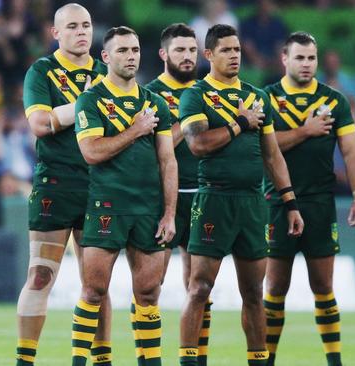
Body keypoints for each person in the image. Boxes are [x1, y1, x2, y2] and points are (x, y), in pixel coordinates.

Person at [177, 24, 303, 366]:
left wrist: (290, 201)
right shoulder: (196, 95)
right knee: (199, 288)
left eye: (237, 50)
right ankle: (189, 360)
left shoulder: (257, 96)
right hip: (213, 201)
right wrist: (238, 124)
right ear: (209, 55)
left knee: (254, 294)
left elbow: (272, 155)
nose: (234, 56)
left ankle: (258, 361)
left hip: (252, 203)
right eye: (226, 50)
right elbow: (197, 144)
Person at [70, 25, 177, 366]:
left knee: (148, 292)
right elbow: (91, 152)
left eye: (134, 50)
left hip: (148, 208)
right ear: (105, 57)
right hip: (107, 206)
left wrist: (170, 213)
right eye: (122, 51)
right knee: (93, 290)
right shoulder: (91, 99)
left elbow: (167, 159)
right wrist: (136, 130)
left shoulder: (155, 102)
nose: (131, 57)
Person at [262, 31, 355, 366]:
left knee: (323, 286)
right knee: (275, 287)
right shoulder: (266, 99)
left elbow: (351, 153)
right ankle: (267, 359)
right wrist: (306, 131)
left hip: (320, 203)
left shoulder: (334, 100)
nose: (306, 64)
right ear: (284, 59)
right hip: (277, 202)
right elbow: (264, 148)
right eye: (300, 58)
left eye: (311, 58)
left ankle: (334, 361)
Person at [17, 4, 109, 365]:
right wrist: (85, 103)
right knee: (40, 275)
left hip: (99, 187)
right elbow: (40, 124)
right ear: (55, 33)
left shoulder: (106, 71)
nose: (81, 32)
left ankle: (99, 359)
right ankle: (25, 360)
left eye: (86, 25)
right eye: (72, 26)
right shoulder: (41, 71)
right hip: (54, 185)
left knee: (97, 284)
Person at [144, 23, 213, 366]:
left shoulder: (207, 90)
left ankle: (195, 359)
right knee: (149, 287)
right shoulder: (149, 95)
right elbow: (150, 151)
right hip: (163, 198)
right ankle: (150, 359)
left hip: (204, 195)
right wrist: (186, 123)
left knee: (200, 288)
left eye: (192, 50)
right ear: (163, 54)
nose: (188, 57)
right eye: (180, 50)